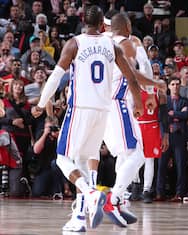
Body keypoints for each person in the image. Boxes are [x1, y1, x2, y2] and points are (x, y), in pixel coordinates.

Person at [33, 5, 144, 232]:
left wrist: (42, 103)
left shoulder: (74, 43)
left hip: (80, 108)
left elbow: (56, 76)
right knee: (83, 161)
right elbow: (131, 78)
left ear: (83, 21)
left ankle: (92, 194)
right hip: (103, 111)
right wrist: (139, 104)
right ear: (103, 24)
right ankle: (79, 218)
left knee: (63, 158)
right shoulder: (111, 46)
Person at [101, 12, 166, 227]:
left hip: (104, 105)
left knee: (125, 154)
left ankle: (120, 200)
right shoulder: (126, 44)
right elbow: (132, 75)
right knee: (138, 154)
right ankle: (113, 198)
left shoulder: (103, 42)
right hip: (118, 103)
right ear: (127, 26)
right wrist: (155, 85)